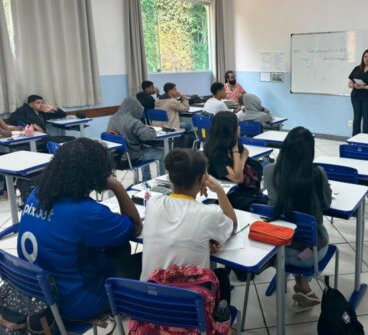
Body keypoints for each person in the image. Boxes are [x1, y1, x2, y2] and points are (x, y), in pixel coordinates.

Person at [16, 138, 143, 322]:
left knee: (119, 248)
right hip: (75, 303)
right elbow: (135, 226)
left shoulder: (37, 194)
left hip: (41, 293)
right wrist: (117, 186)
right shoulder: (86, 213)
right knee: (144, 263)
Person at [141, 149, 236, 303]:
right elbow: (233, 225)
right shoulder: (209, 214)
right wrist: (219, 191)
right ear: (201, 179)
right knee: (222, 278)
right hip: (189, 311)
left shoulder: (153, 204)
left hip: (150, 304)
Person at [263, 126, 332, 310]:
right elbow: (327, 204)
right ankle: (302, 283)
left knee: (293, 232)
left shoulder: (270, 171)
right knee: (312, 234)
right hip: (310, 255)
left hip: (276, 251)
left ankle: (301, 284)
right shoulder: (317, 174)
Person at [204, 111, 264, 211]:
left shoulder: (228, 142)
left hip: (245, 192)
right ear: (231, 130)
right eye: (237, 125)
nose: (239, 128)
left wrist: (241, 164)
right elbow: (238, 178)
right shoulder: (216, 153)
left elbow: (245, 151)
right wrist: (235, 150)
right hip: (233, 198)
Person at [107, 96, 165, 181]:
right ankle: (163, 179)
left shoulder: (112, 118)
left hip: (117, 158)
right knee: (164, 153)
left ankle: (146, 177)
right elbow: (148, 136)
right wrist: (151, 129)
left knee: (145, 148)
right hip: (133, 157)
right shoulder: (133, 122)